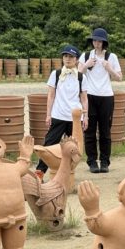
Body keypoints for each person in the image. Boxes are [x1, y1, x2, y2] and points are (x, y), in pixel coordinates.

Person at [37, 45, 88, 177]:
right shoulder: (56, 74)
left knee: (75, 148)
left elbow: (84, 99)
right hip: (58, 115)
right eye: (65, 56)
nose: (67, 59)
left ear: (76, 59)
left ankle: (67, 173)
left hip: (75, 118)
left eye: (71, 56)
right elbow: (51, 95)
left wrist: (85, 116)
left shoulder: (82, 77)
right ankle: (40, 172)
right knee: (49, 144)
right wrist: (48, 115)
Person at [78, 28, 122, 174]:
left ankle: (105, 161)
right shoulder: (85, 56)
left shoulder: (112, 57)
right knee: (89, 130)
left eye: (99, 41)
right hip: (89, 96)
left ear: (104, 42)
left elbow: (119, 78)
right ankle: (92, 162)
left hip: (106, 96)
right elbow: (77, 74)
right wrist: (86, 65)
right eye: (94, 40)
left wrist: (109, 68)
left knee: (105, 131)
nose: (96, 43)